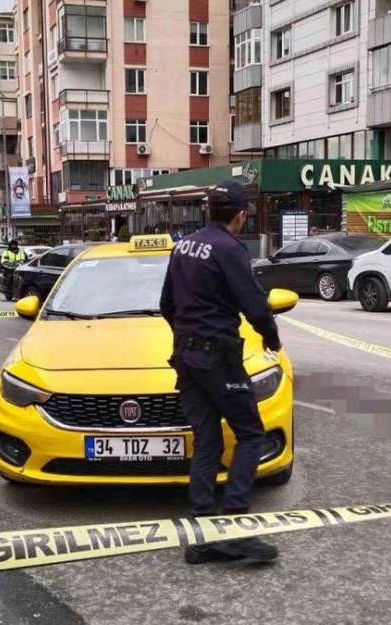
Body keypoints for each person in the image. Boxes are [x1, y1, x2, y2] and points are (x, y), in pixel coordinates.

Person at [159, 179, 282, 565]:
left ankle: (201, 536)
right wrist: (272, 339)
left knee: (207, 441)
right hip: (218, 358)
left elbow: (166, 304)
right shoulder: (230, 249)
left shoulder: (184, 246)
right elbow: (255, 305)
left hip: (186, 357)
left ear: (208, 211)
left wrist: (188, 338)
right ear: (241, 215)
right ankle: (232, 530)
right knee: (249, 434)